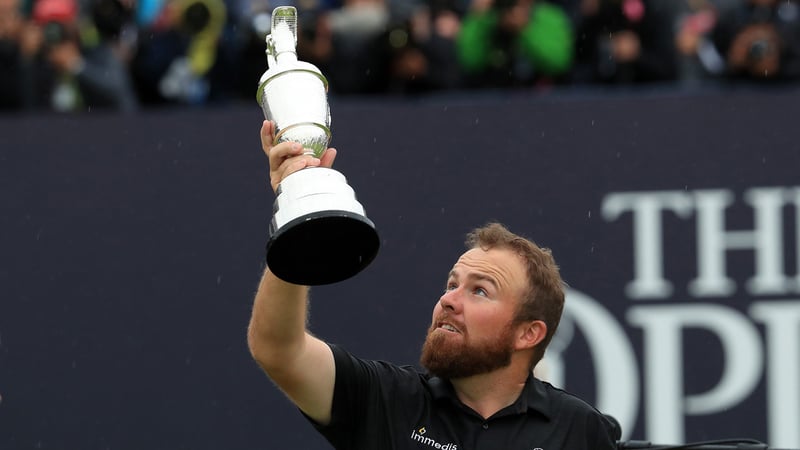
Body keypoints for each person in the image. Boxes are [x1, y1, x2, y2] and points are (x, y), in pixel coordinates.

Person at [247, 119, 621, 449]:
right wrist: (298, 209)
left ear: (529, 334)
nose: (449, 300)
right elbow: (278, 349)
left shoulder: (579, 430)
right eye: (451, 284)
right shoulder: (387, 399)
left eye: (480, 291)